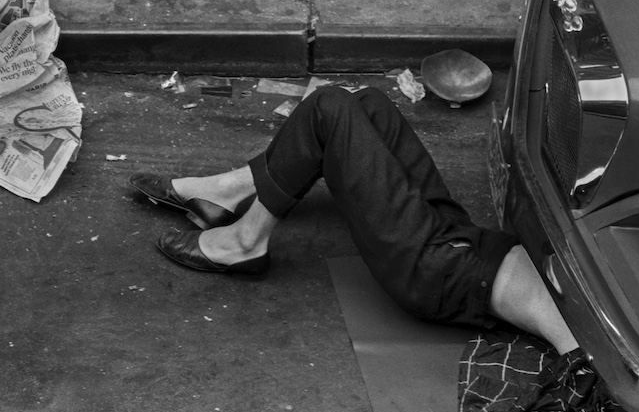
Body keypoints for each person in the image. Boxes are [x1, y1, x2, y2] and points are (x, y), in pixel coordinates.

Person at [130, 86, 580, 358]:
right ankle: (226, 191)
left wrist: (577, 358)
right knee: (370, 105)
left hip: (439, 270)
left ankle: (245, 240)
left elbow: (588, 355)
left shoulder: (613, 342)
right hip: (460, 238)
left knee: (330, 108)